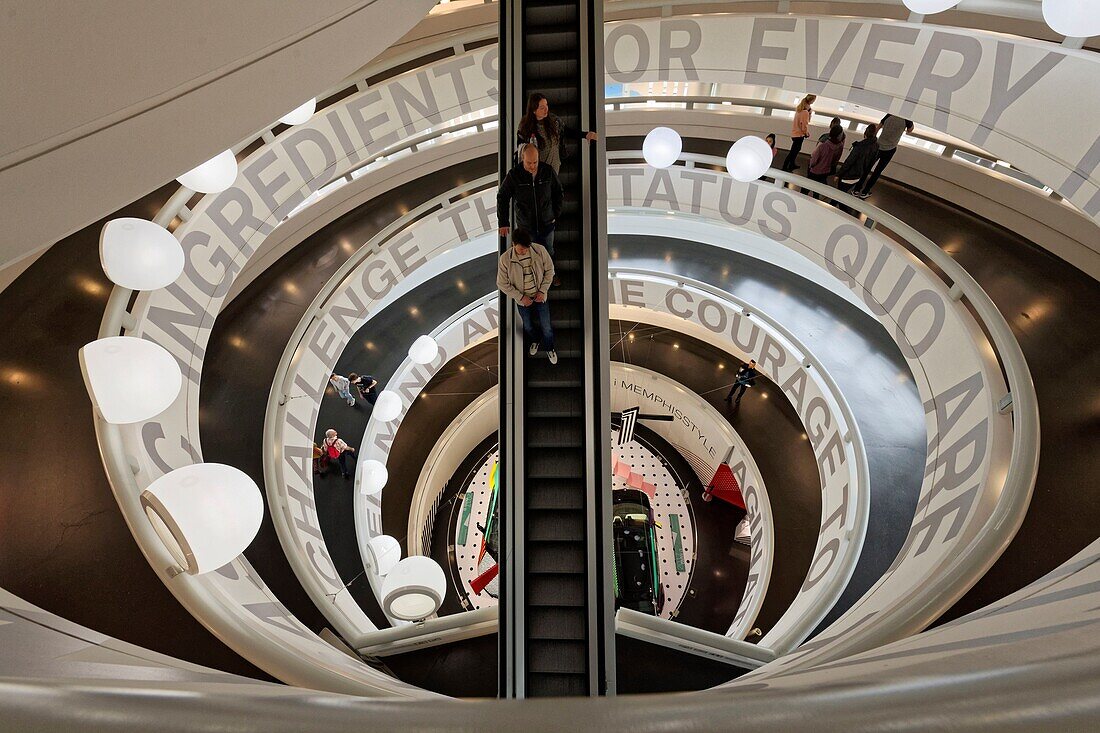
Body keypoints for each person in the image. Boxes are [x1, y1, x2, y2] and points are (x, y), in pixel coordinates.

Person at [498, 143, 563, 283]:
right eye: (529, 163)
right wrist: (503, 222)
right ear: (522, 158)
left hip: (547, 223)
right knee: (529, 253)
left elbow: (558, 192)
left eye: (535, 162)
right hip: (526, 227)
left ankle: (551, 276)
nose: (533, 166)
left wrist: (555, 213)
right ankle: (535, 279)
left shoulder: (547, 171)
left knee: (548, 250)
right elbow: (502, 196)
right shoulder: (514, 175)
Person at [497, 227, 557, 364]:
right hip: (522, 300)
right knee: (528, 326)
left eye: (526, 248)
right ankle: (535, 340)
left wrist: (542, 291)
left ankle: (549, 348)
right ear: (513, 244)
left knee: (546, 327)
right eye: (521, 249)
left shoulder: (538, 250)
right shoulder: (505, 260)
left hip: (540, 296)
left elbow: (550, 270)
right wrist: (520, 297)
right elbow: (502, 283)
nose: (524, 252)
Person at [516, 92, 598, 174]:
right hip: (537, 170)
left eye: (546, 105)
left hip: (554, 166)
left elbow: (566, 131)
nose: (546, 109)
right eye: (542, 107)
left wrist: (585, 134)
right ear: (534, 110)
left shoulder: (554, 120)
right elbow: (521, 148)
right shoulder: (525, 127)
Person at [854, 114, 913, 198]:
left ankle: (856, 189)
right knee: (877, 172)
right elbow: (910, 130)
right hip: (890, 149)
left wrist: (873, 140)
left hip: (878, 146)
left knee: (867, 168)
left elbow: (878, 127)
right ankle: (865, 192)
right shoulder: (907, 120)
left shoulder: (890, 114)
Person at [836, 124, 879, 212]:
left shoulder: (859, 147)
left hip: (849, 176)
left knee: (839, 195)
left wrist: (838, 174)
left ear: (865, 133)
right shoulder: (876, 146)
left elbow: (849, 162)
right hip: (858, 176)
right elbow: (871, 164)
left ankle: (846, 213)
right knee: (841, 194)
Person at [781, 94, 816, 172]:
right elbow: (804, 125)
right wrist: (806, 133)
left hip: (795, 133)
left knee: (794, 150)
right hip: (799, 135)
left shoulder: (799, 109)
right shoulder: (805, 112)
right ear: (811, 101)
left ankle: (791, 164)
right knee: (793, 152)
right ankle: (785, 167)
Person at [807, 125, 845, 197]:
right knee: (817, 188)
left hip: (815, 170)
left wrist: (810, 165)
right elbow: (836, 159)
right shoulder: (840, 146)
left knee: (806, 186)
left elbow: (814, 160)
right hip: (826, 170)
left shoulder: (822, 146)